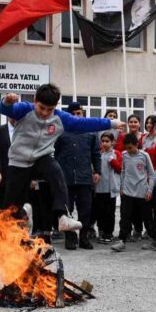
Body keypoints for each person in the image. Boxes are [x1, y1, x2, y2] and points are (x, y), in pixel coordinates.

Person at [0, 85, 122, 241]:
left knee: (56, 170)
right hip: (18, 162)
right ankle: (23, 215)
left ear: (55, 106)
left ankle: (62, 216)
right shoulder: (25, 109)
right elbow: (6, 110)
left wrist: (110, 123)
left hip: (41, 158)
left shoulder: (60, 118)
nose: (44, 113)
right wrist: (6, 101)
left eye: (49, 110)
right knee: (11, 207)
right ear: (35, 101)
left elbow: (84, 123)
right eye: (41, 108)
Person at [55, 102, 101, 250]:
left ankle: (84, 238)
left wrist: (98, 171)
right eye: (73, 114)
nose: (76, 116)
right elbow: (54, 154)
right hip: (65, 178)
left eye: (78, 113)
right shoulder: (60, 131)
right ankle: (70, 238)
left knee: (85, 210)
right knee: (66, 210)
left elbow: (96, 154)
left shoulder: (91, 133)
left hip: (84, 178)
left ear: (82, 114)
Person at [111, 133, 156, 252]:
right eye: (126, 148)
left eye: (131, 147)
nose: (129, 150)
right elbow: (123, 172)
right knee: (125, 217)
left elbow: (152, 174)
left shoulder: (144, 155)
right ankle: (122, 241)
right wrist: (121, 187)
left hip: (142, 192)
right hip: (127, 192)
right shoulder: (124, 155)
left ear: (137, 144)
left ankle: (154, 239)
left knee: (147, 218)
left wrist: (150, 190)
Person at [94, 132, 121, 244]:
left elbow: (120, 168)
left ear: (112, 142)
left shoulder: (116, 154)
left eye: (107, 141)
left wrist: (112, 160)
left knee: (110, 212)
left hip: (111, 189)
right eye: (103, 141)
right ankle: (101, 232)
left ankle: (109, 233)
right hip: (99, 188)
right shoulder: (98, 154)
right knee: (100, 212)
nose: (104, 143)